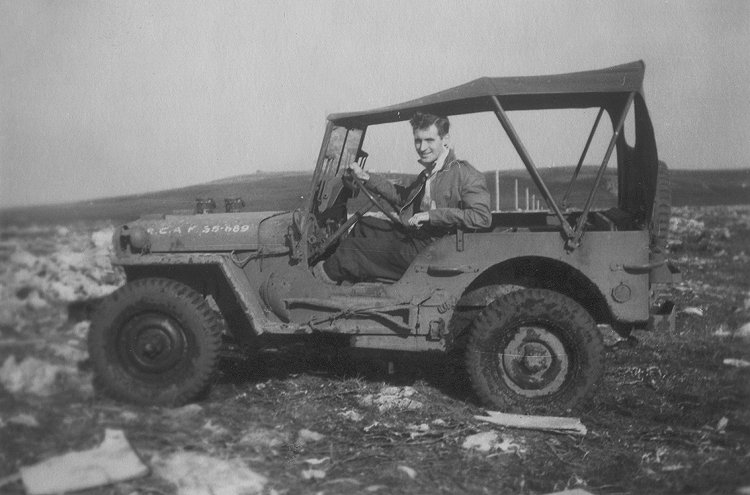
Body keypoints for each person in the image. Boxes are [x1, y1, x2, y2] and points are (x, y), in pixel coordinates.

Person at [314, 112, 492, 283]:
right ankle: (351, 281)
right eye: (418, 141)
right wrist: (366, 178)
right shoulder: (431, 172)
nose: (422, 148)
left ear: (445, 139)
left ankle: (319, 280)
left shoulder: (465, 174)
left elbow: (482, 217)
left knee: (352, 250)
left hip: (436, 250)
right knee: (364, 226)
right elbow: (404, 197)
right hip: (419, 237)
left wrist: (431, 216)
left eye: (429, 140)